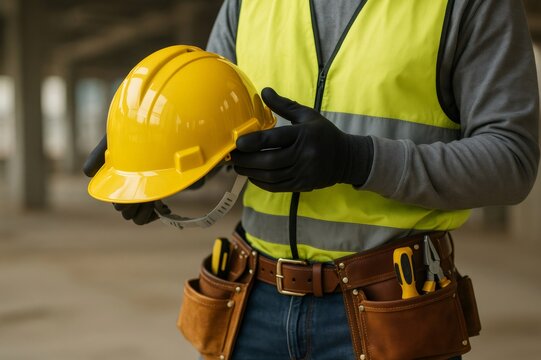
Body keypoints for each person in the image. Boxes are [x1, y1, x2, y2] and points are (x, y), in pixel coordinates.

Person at [85, 0, 539, 359]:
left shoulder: (468, 3)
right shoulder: (247, 2)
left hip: (393, 306)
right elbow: (215, 131)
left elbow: (511, 161)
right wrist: (152, 160)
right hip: (251, 301)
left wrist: (357, 160)